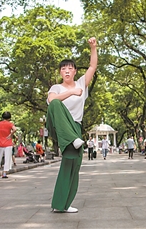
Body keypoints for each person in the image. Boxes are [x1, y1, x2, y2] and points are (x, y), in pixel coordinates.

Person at [46, 36, 97, 213]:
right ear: (60, 73)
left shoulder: (82, 83)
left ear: (75, 71)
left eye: (70, 68)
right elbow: (52, 101)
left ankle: (62, 205)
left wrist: (93, 48)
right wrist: (72, 92)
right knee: (56, 103)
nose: (67, 71)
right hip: (59, 126)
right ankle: (71, 139)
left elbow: (92, 67)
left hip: (75, 127)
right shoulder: (56, 87)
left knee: (72, 164)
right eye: (63, 69)